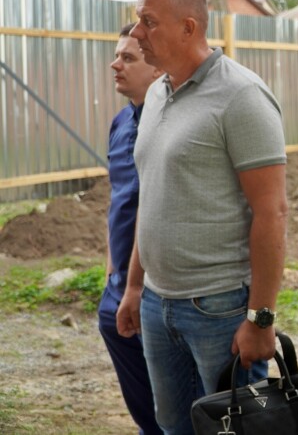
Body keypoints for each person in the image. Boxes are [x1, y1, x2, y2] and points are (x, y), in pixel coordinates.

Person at [115, 0, 288, 435]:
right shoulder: (156, 93)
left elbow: (272, 213)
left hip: (219, 308)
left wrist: (261, 319)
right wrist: (135, 286)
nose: (137, 33)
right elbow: (153, 196)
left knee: (234, 429)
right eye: (138, 20)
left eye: (149, 22)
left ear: (188, 27)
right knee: (173, 426)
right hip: (157, 303)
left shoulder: (241, 96)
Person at [98, 22, 162, 435]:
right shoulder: (121, 122)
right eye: (117, 55)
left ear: (156, 68)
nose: (115, 64)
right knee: (146, 410)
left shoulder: (169, 124)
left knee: (176, 407)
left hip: (156, 290)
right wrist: (111, 272)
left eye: (127, 58)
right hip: (118, 288)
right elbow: (119, 199)